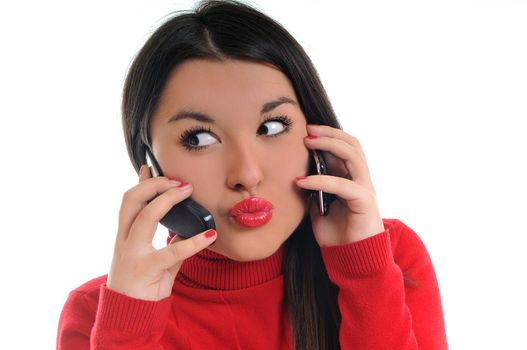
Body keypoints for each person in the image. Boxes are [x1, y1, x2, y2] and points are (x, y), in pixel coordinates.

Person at [56, 0, 447, 349]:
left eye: (272, 127)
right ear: (151, 167)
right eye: (199, 138)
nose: (246, 174)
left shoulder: (389, 257)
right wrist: (129, 326)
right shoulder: (98, 317)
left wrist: (363, 268)